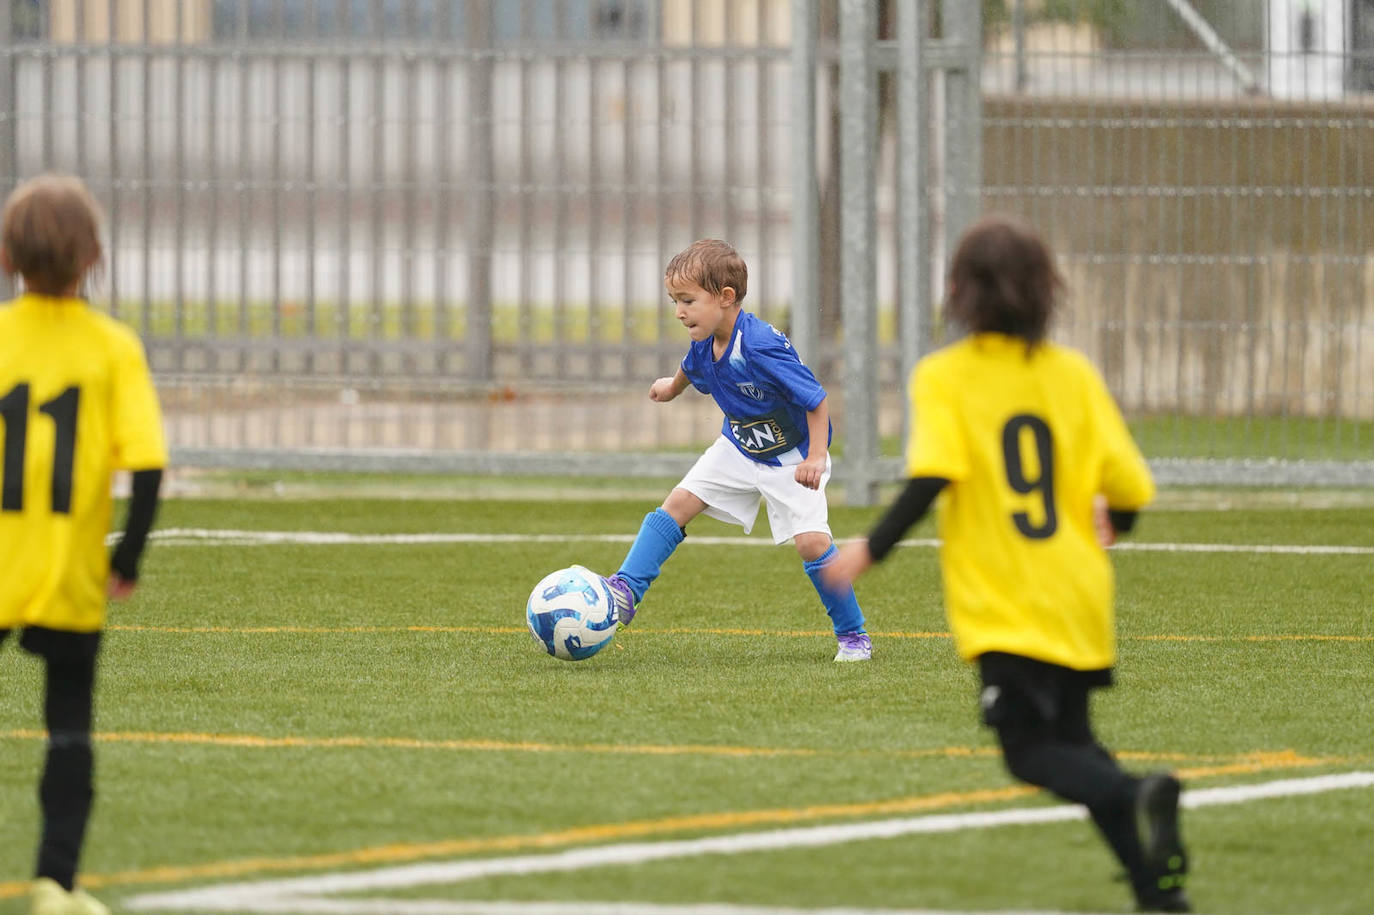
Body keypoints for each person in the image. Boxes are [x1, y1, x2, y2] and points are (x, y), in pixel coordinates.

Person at [821, 215, 1190, 912]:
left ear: (957, 290)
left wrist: (870, 547)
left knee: (1028, 752)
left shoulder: (946, 377)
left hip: (1008, 602)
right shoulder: (1072, 374)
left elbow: (933, 476)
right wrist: (1120, 519)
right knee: (1076, 745)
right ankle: (1158, 892)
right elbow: (1131, 491)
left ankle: (1138, 794)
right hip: (1079, 595)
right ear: (1046, 292)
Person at [0, 175, 167, 915]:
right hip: (67, 565)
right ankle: (55, 884)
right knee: (68, 726)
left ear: (7, 256)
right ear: (94, 257)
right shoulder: (111, 347)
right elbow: (149, 466)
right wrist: (125, 557)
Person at [601, 238, 870, 661]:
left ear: (725, 298)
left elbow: (816, 400)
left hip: (792, 460)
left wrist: (816, 457)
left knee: (812, 544)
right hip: (738, 448)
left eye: (687, 300)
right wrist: (670, 389)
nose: (678, 312)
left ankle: (854, 635)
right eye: (675, 301)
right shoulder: (706, 342)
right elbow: (690, 368)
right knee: (678, 503)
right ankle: (625, 589)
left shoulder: (760, 346)